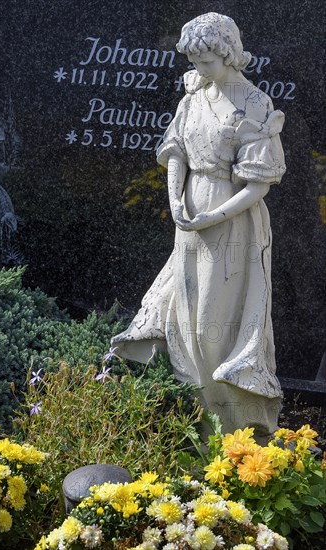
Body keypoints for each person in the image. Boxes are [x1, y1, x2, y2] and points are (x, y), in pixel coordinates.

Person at [112, 13, 286, 436]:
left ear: (228, 54)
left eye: (205, 61)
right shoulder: (192, 96)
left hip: (233, 223)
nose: (198, 70)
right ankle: (193, 428)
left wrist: (212, 215)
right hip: (188, 221)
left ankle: (232, 432)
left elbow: (257, 186)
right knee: (187, 322)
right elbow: (175, 152)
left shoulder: (255, 104)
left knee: (218, 325)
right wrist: (175, 200)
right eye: (193, 61)